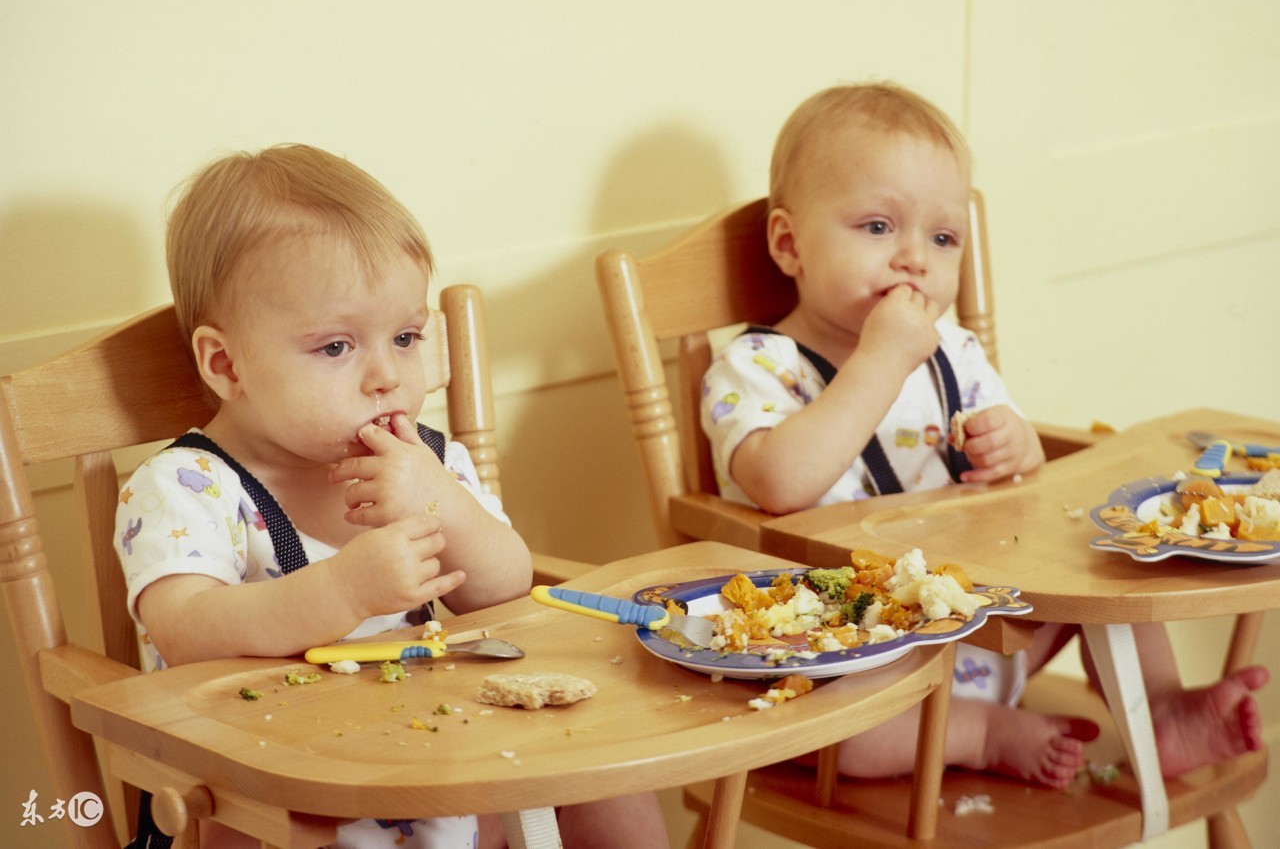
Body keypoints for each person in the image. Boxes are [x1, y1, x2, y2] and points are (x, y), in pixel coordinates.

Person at [700, 83, 1268, 787]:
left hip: (980, 632)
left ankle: (1159, 714)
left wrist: (1016, 446)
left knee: (1111, 561)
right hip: (850, 662)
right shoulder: (756, 366)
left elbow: (1024, 471)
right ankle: (979, 732)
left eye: (941, 238)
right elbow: (779, 482)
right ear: (789, 243)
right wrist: (881, 358)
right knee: (830, 735)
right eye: (879, 227)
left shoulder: (954, 352)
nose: (914, 258)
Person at [116, 144, 667, 848]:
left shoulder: (426, 459)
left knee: (609, 779)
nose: (386, 375)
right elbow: (184, 628)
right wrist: (341, 592)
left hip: (433, 749)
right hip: (273, 789)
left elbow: (506, 586)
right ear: (226, 364)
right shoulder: (189, 486)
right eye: (337, 347)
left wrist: (443, 504)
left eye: (405, 336)